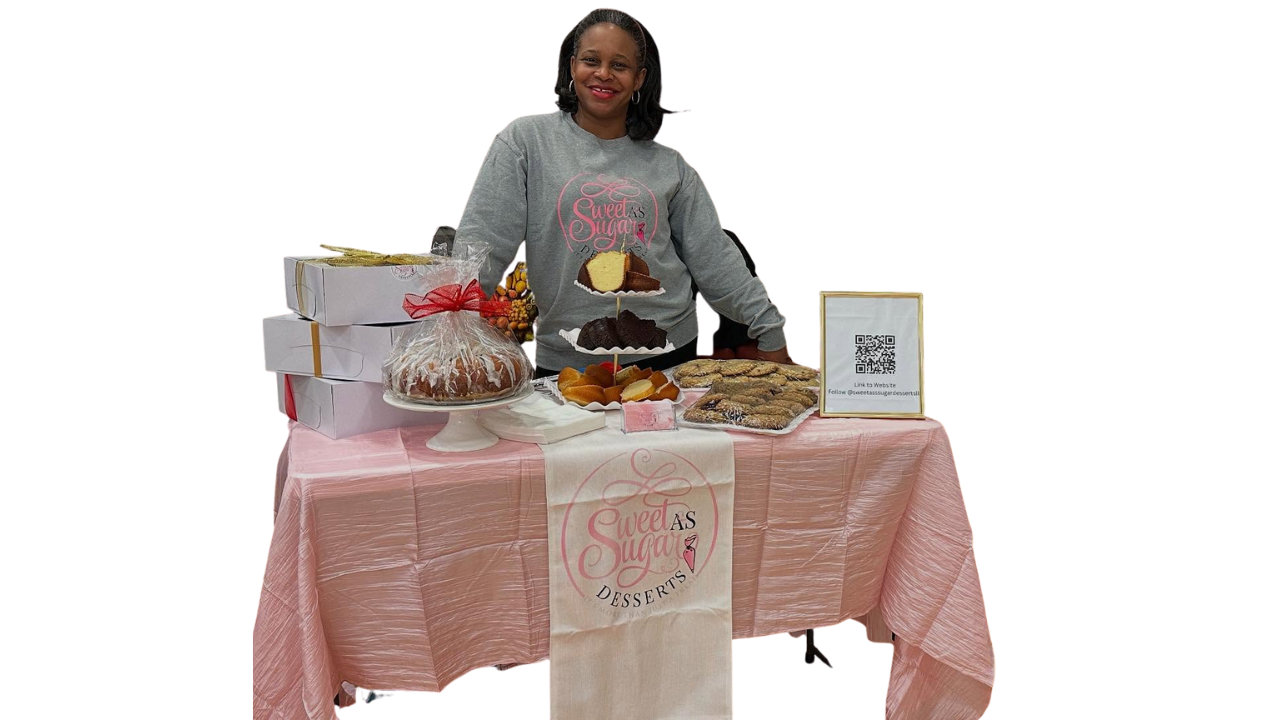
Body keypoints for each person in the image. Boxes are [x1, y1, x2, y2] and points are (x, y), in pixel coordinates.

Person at [454, 8, 792, 378]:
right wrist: (450, 320)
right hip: (566, 365)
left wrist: (768, 328)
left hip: (669, 359)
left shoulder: (669, 164)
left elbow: (714, 258)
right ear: (571, 66)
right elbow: (482, 242)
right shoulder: (526, 142)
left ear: (639, 78)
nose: (603, 74)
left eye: (619, 65)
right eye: (591, 60)